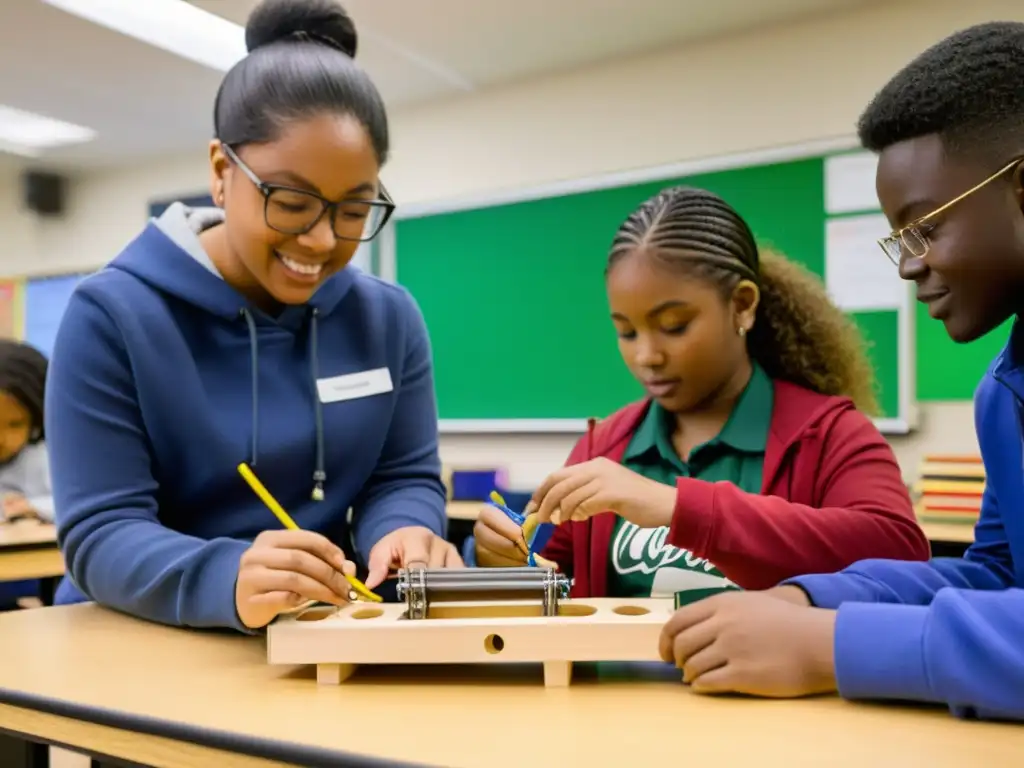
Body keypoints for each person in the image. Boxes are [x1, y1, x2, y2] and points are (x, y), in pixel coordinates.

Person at [45, 0, 460, 634]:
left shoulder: (387, 319)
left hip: (318, 633)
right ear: (220, 172)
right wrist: (224, 577)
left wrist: (403, 530)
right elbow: (100, 531)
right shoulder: (111, 314)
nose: (322, 241)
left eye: (353, 210)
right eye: (291, 202)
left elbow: (401, 476)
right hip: (140, 643)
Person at [658, 22, 1024, 722]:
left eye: (926, 228)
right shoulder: (1002, 394)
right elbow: (997, 579)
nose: (910, 265)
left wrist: (832, 644)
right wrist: (812, 597)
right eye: (898, 240)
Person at [474, 184, 930, 602]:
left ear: (742, 306)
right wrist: (508, 562)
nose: (647, 356)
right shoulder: (604, 447)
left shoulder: (828, 433)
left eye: (674, 327)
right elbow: (557, 584)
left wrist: (680, 508)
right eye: (627, 332)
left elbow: (900, 551)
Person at [0, 340, 52, 524]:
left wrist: (34, 508)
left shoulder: (43, 461)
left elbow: (75, 505)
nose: (1, 439)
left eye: (15, 424)